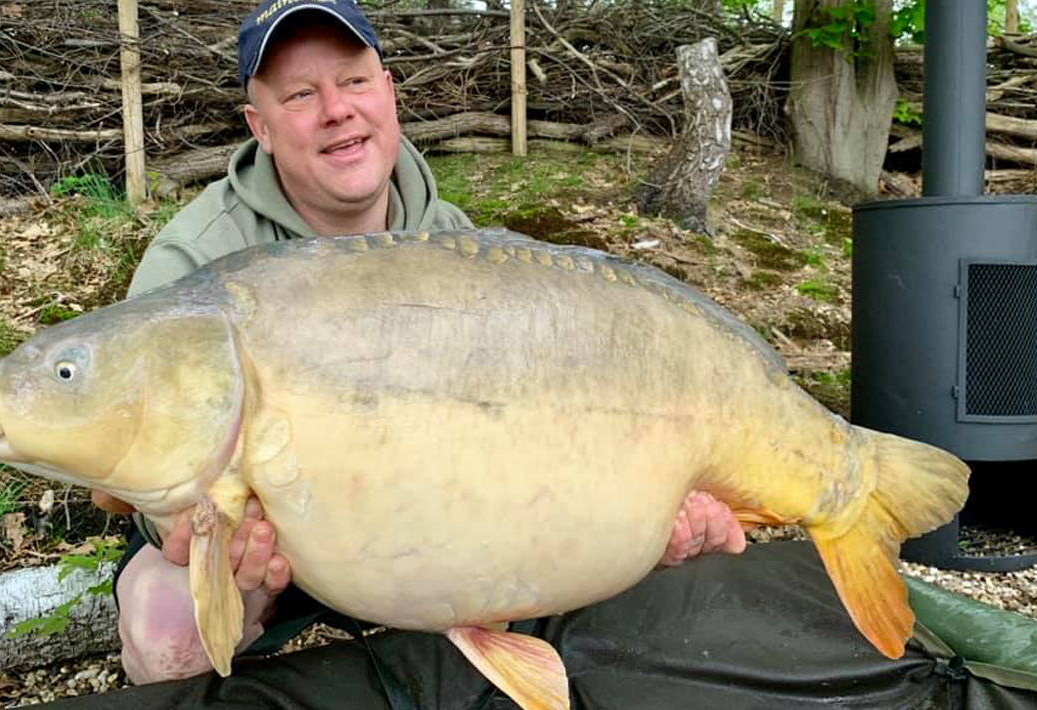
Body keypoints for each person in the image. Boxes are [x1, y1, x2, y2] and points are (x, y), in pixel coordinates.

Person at [90, 0, 746, 687]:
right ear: (261, 127)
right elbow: (128, 442)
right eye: (301, 95)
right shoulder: (194, 264)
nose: (336, 110)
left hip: (424, 536)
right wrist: (172, 519)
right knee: (166, 628)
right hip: (278, 547)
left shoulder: (457, 244)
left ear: (389, 94)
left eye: (354, 82)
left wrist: (647, 514)